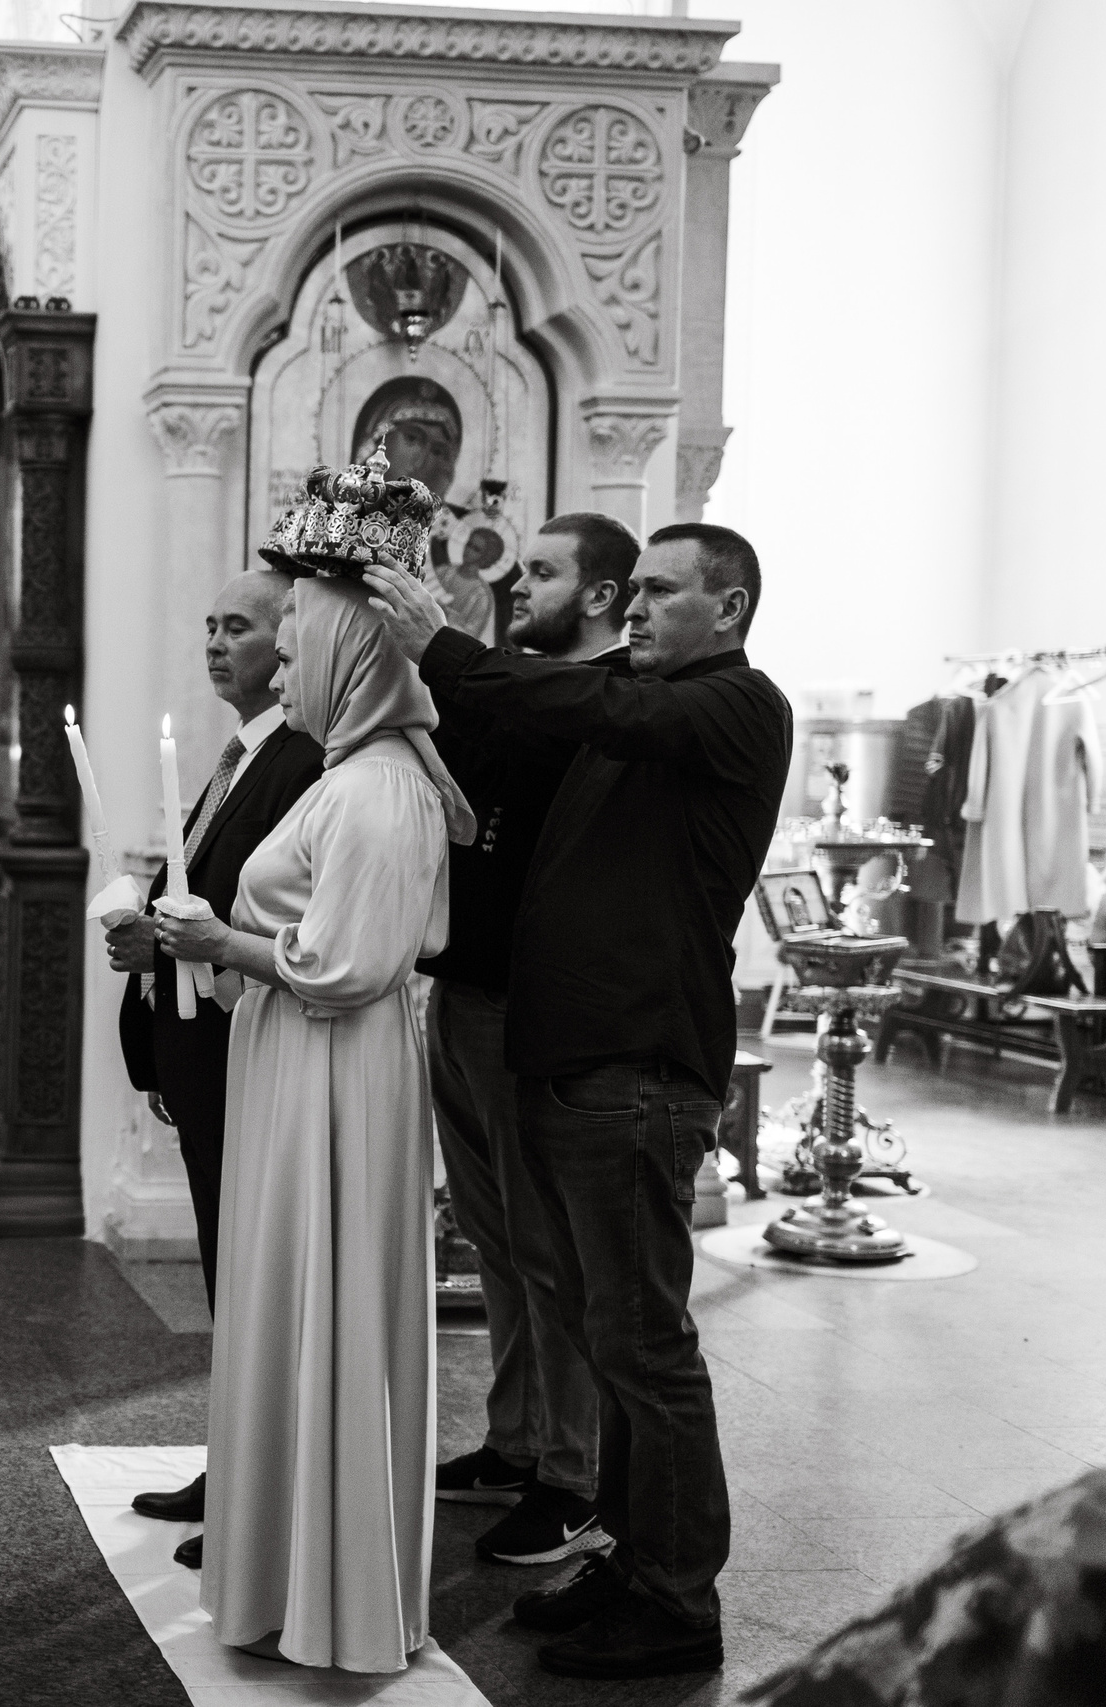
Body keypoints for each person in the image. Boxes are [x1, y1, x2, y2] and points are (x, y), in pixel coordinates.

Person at [365, 523, 791, 1681]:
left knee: (645, 1348)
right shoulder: (640, 702)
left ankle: (673, 1598)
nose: (640, 610)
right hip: (578, 1058)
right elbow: (558, 721)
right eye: (636, 590)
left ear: (731, 608)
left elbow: (600, 711)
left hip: (639, 1066)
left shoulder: (734, 709)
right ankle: (623, 1549)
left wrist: (442, 644)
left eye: (662, 591)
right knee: (607, 1340)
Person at [153, 573, 474, 1672]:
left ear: (349, 659)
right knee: (288, 1298)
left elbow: (338, 969)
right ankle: (285, 1567)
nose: (279, 672)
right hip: (300, 1058)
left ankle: (326, 1588)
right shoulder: (347, 779)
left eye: (294, 654)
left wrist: (216, 946)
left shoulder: (380, 790)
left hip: (335, 1072)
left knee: (321, 1294)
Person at [423, 515, 638, 1568]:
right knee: (491, 1237)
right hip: (460, 987)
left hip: (528, 1006)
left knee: (547, 1253)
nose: (519, 586)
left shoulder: (606, 704)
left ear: (597, 596)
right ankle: (514, 1442)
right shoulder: (521, 687)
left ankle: (572, 1475)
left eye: (544, 573)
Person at [107, 567, 324, 1559]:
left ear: (289, 644)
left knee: (253, 1276)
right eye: (206, 624)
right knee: (223, 1276)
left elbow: (254, 912)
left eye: (234, 626)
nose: (213, 640)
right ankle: (230, 1463)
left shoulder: (302, 762)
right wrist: (142, 933)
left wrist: (174, 932)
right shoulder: (239, 756)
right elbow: (199, 894)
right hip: (200, 1051)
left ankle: (258, 1490)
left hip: (247, 1049)